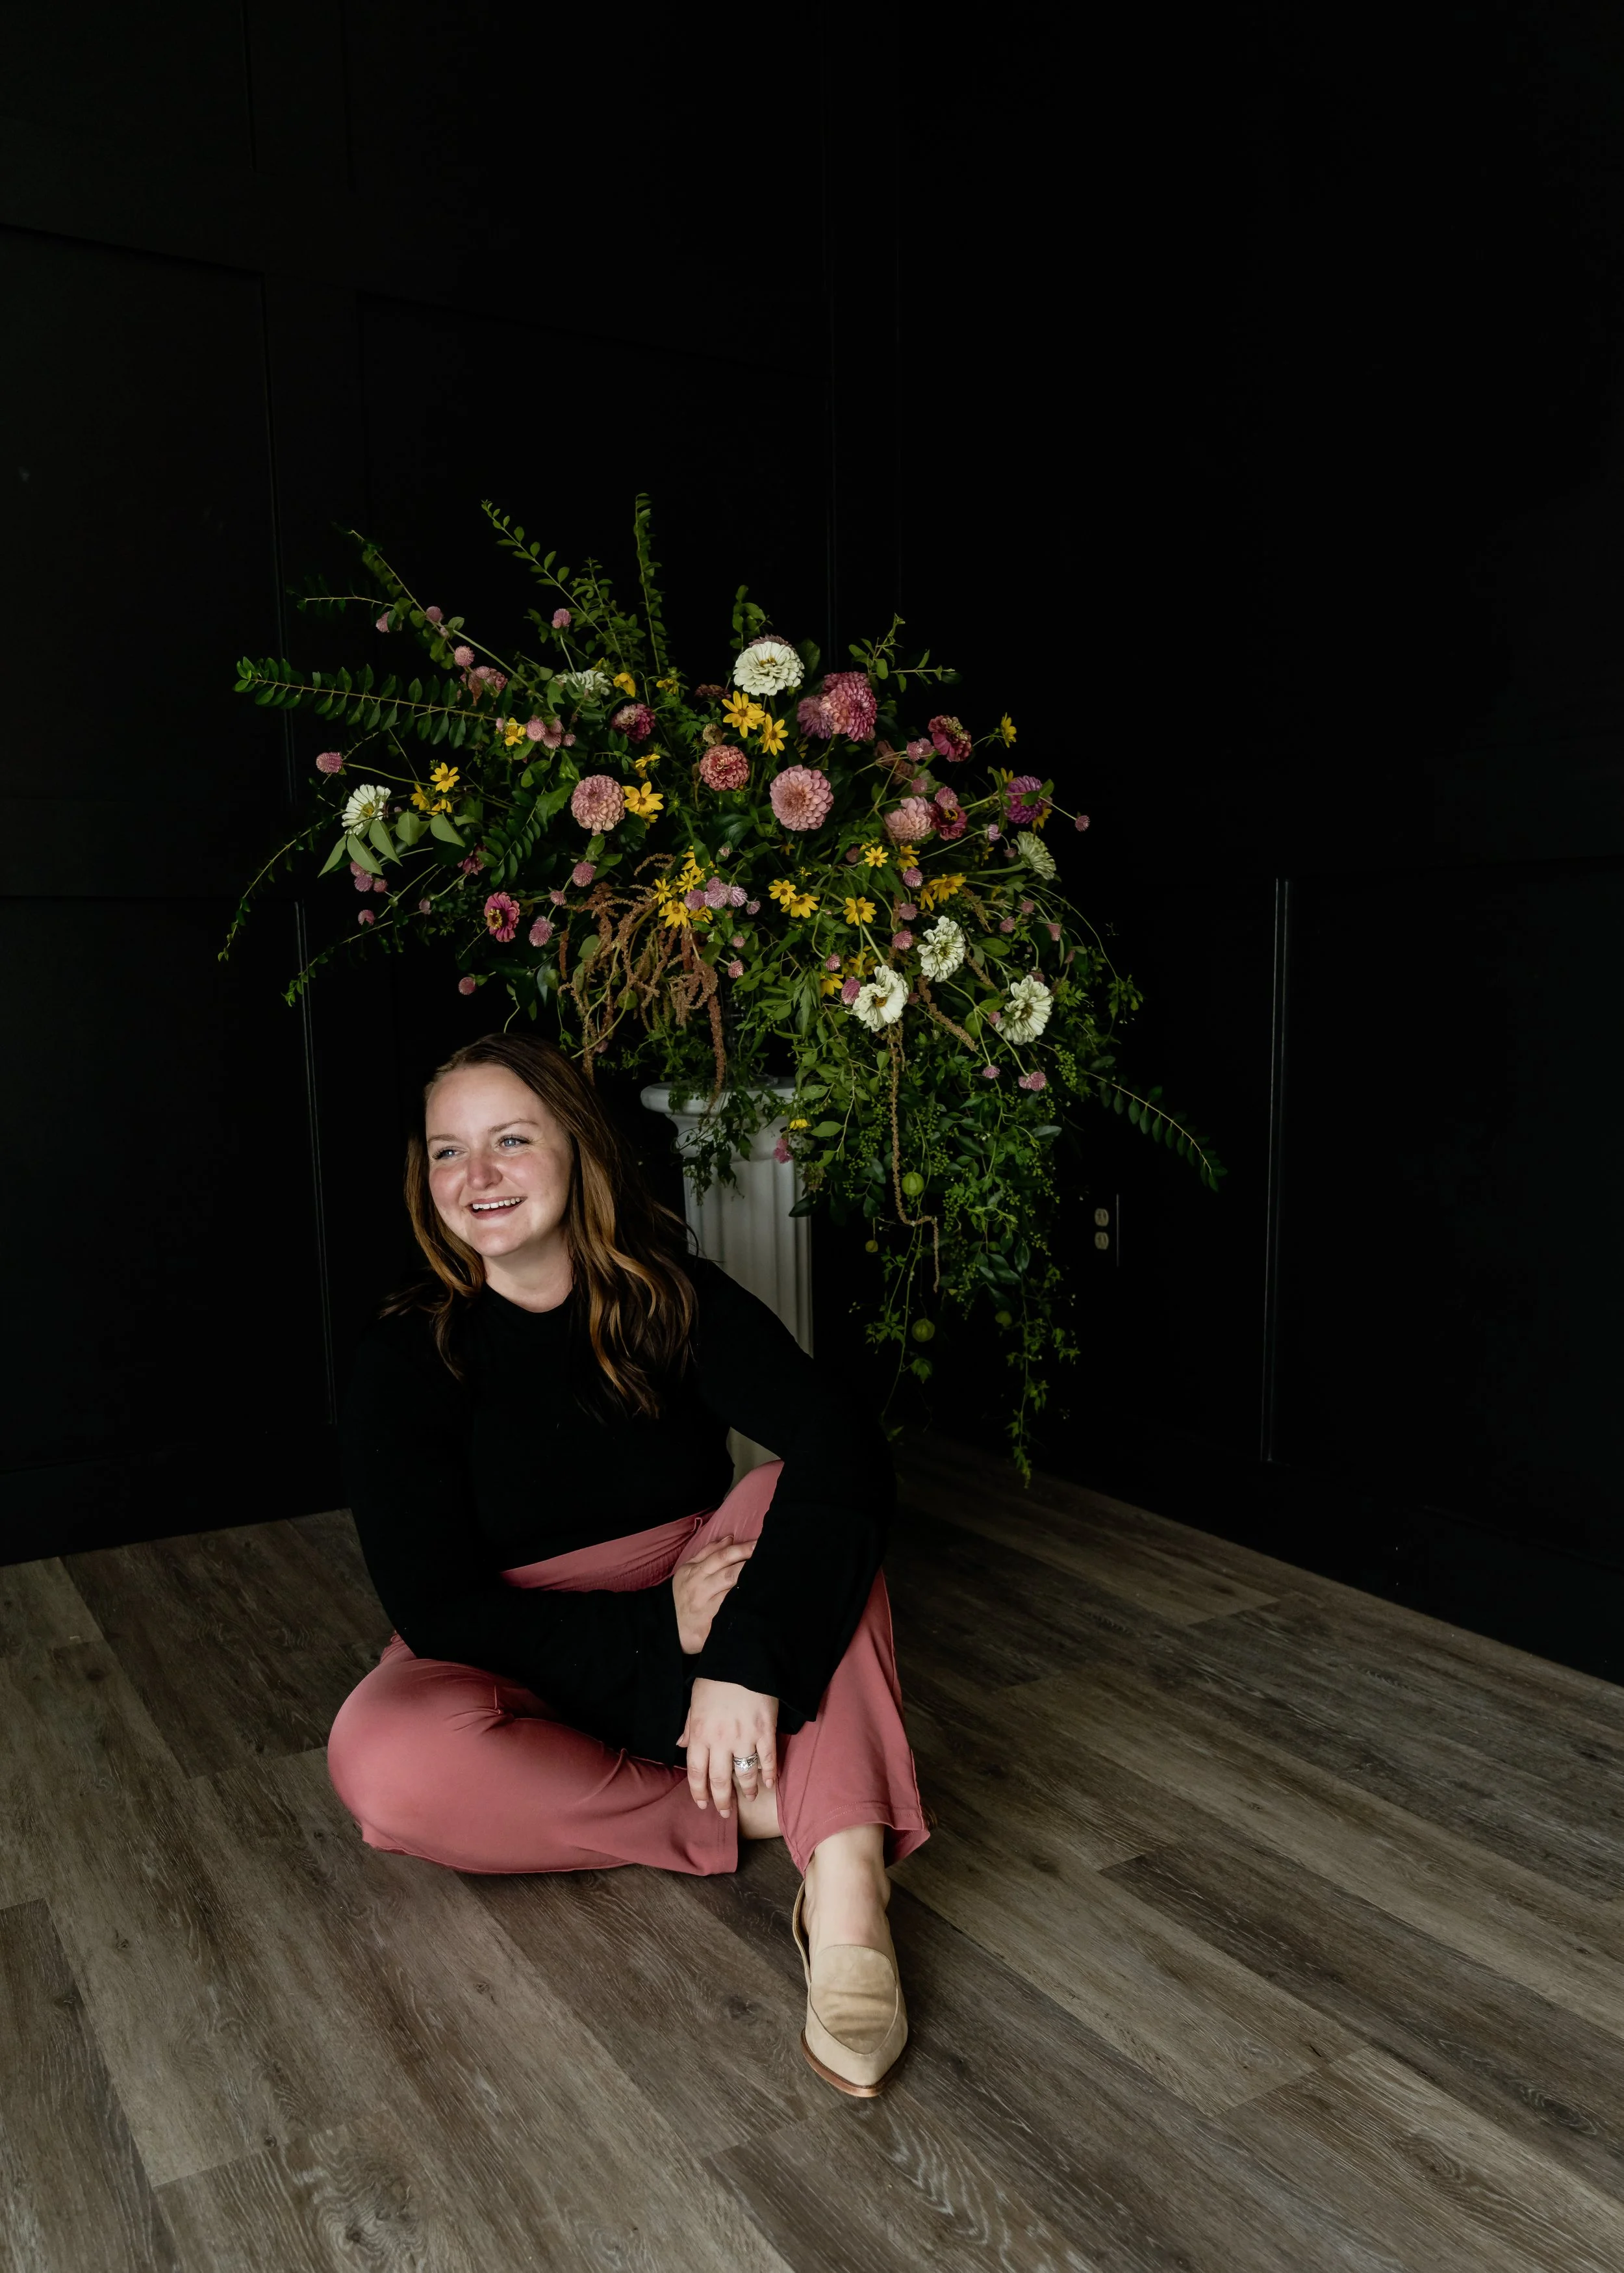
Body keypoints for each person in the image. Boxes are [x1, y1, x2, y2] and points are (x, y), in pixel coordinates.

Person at [327, 1032, 930, 2096]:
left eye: (510, 1139)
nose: (478, 1177)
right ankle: (758, 1795)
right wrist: (666, 1631)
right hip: (512, 1641)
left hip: (707, 1585)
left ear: (576, 1146)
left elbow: (841, 1445)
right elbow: (437, 1603)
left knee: (804, 1508)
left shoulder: (670, 1295)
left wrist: (741, 1658)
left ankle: (846, 1892)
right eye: (447, 1152)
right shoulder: (400, 1355)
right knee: (380, 1753)